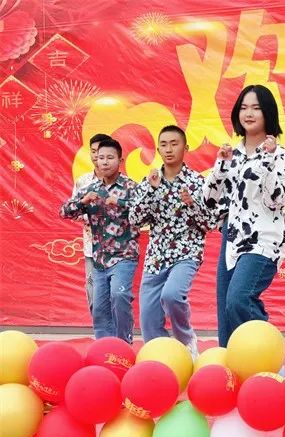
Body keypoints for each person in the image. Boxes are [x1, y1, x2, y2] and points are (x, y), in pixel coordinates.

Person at [203, 85, 285, 347]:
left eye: (256, 108)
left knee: (239, 299)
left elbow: (276, 200)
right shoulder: (232, 154)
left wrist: (266, 161)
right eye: (243, 108)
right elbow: (209, 200)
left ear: (268, 113)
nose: (249, 113)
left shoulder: (279, 154)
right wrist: (221, 166)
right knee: (226, 309)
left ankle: (266, 351)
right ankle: (231, 362)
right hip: (232, 237)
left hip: (264, 237)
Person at [129, 125, 216, 357]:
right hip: (156, 256)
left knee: (172, 295)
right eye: (164, 145)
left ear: (185, 148)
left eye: (174, 144)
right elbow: (135, 220)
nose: (169, 149)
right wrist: (150, 190)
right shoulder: (150, 180)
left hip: (187, 252)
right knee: (148, 316)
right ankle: (161, 357)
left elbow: (210, 223)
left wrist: (192, 204)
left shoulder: (197, 183)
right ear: (158, 149)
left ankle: (186, 341)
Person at [60, 139, 140, 343]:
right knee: (99, 308)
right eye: (101, 157)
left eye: (110, 157)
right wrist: (83, 201)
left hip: (124, 256)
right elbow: (64, 212)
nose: (104, 162)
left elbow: (145, 213)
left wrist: (121, 203)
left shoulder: (131, 187)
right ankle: (105, 348)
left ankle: (124, 344)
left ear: (120, 160)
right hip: (99, 259)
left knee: (119, 297)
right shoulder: (90, 188)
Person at [71, 133, 111, 315]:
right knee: (93, 290)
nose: (97, 156)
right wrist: (89, 210)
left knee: (116, 293)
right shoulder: (83, 182)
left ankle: (118, 329)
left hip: (118, 249)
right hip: (91, 247)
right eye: (93, 151)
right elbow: (72, 212)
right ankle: (99, 328)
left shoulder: (124, 183)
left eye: (101, 152)